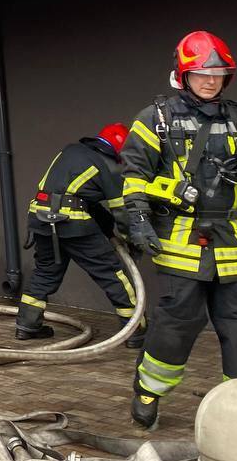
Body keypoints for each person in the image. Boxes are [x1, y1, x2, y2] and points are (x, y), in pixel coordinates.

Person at [122, 30, 237, 429]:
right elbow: (134, 174)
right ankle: (148, 390)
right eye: (201, 73)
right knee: (177, 322)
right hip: (181, 239)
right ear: (182, 75)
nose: (210, 80)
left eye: (219, 73)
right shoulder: (155, 120)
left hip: (233, 240)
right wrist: (137, 219)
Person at [15, 123, 144, 348]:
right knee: (112, 274)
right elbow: (121, 209)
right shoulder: (110, 165)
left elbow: (83, 199)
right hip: (73, 224)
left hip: (41, 217)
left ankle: (27, 325)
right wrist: (130, 239)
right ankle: (135, 330)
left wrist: (106, 228)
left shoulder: (71, 151)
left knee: (45, 272)